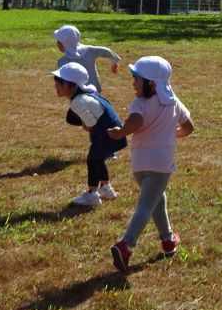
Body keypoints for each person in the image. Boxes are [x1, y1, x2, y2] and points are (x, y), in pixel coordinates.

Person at [106, 56, 194, 272]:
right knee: (146, 205)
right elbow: (189, 127)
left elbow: (136, 122)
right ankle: (126, 245)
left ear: (151, 84)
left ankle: (168, 239)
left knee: (155, 199)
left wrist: (121, 132)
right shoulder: (173, 103)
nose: (133, 83)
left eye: (136, 78)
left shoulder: (139, 104)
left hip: (139, 163)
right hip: (161, 163)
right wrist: (173, 135)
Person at [52, 60, 126, 207]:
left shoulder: (78, 101)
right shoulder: (91, 93)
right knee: (98, 159)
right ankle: (106, 189)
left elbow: (91, 123)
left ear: (72, 85)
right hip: (113, 132)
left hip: (106, 135)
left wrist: (86, 126)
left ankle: (92, 194)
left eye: (60, 83)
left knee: (92, 161)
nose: (56, 87)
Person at [53, 25, 120, 91]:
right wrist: (114, 63)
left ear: (63, 44)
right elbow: (106, 51)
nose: (57, 44)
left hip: (77, 93)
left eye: (58, 42)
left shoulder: (62, 62)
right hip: (94, 89)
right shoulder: (89, 50)